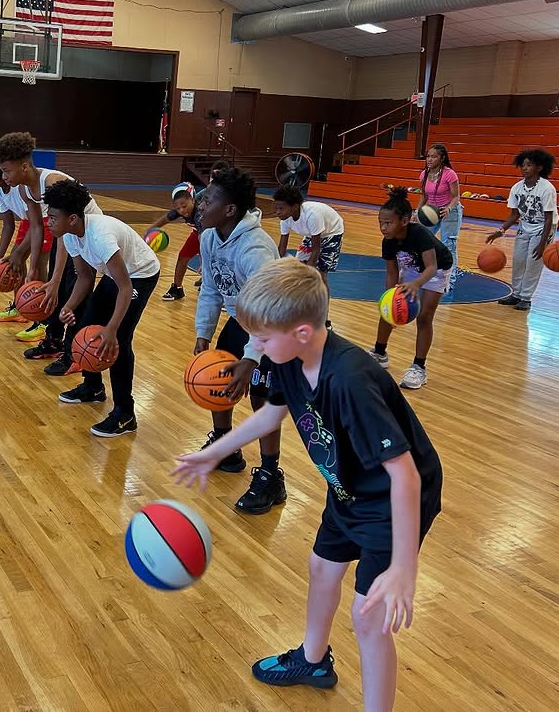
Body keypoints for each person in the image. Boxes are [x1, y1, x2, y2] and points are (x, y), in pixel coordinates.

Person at [173, 257, 442, 711]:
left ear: (300, 331)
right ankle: (313, 661)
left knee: (368, 616)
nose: (253, 346)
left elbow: (406, 475)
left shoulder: (349, 379)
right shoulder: (289, 359)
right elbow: (274, 412)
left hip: (391, 503)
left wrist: (403, 568)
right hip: (349, 487)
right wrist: (214, 451)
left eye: (260, 337)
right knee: (322, 569)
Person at [194, 166, 285, 514]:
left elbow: (268, 311)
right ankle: (227, 446)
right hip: (242, 317)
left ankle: (271, 475)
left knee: (262, 398)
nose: (201, 206)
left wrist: (250, 358)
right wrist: (204, 332)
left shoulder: (255, 249)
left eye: (209, 200)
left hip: (277, 324)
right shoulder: (209, 237)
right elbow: (212, 288)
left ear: (230, 210)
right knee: (217, 376)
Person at [43, 180, 160, 437]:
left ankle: (125, 414)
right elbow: (84, 277)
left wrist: (112, 328)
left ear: (72, 218)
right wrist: (69, 306)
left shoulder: (100, 236)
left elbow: (126, 288)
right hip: (114, 274)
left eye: (52, 217)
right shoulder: (71, 235)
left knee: (117, 340)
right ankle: (93, 388)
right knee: (86, 326)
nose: (48, 222)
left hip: (140, 274)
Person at [0, 131, 103, 376]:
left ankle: (73, 355)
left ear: (24, 165)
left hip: (87, 234)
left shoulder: (51, 181)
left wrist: (54, 279)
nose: (3, 176)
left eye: (7, 171)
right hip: (66, 234)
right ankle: (53, 341)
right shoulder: (25, 190)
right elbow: (37, 227)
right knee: (54, 287)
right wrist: (28, 262)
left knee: (72, 290)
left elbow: (66, 234)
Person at [367, 188, 454, 390]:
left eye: (388, 223)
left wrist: (416, 284)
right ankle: (380, 353)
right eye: (381, 222)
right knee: (387, 309)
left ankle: (419, 367)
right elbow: (391, 273)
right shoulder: (387, 242)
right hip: (412, 268)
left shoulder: (419, 234)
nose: (383, 227)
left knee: (424, 316)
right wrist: (388, 298)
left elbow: (431, 267)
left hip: (437, 269)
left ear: (405, 221)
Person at [0, 152, 48, 341]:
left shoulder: (18, 188)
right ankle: (20, 308)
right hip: (29, 221)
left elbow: (37, 225)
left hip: (45, 219)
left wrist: (17, 253)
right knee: (16, 262)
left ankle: (43, 322)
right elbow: (8, 224)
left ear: (1, 174)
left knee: (39, 265)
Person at [486, 148, 558, 312]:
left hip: (543, 227)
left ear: (539, 167)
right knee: (519, 260)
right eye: (522, 165)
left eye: (529, 165)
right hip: (525, 226)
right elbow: (515, 214)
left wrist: (542, 244)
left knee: (533, 263)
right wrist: (501, 230)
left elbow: (548, 218)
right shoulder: (517, 188)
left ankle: (526, 298)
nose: (524, 168)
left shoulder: (547, 188)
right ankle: (516, 294)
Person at [273, 185, 345, 325]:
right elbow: (281, 249)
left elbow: (316, 249)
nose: (278, 212)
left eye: (281, 208)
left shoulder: (312, 215)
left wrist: (310, 270)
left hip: (331, 232)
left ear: (294, 207)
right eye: (276, 208)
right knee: (297, 271)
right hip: (312, 234)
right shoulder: (285, 219)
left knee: (320, 276)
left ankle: (324, 319)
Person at [143, 180, 207, 301]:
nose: (182, 210)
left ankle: (221, 293)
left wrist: (204, 261)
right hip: (198, 233)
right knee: (183, 256)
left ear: (193, 200)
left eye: (184, 206)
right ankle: (177, 288)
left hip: (213, 237)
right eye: (178, 208)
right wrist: (148, 233)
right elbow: (164, 219)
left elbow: (204, 241)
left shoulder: (199, 214)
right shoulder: (179, 210)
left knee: (215, 263)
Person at [415, 143, 462, 284]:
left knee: (449, 245)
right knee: (424, 241)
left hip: (449, 211)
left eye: (433, 157)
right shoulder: (424, 174)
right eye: (428, 156)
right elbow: (424, 195)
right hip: (431, 211)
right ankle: (427, 272)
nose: (429, 159)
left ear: (441, 158)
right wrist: (417, 211)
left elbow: (456, 196)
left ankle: (449, 280)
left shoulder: (450, 174)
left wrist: (448, 208)